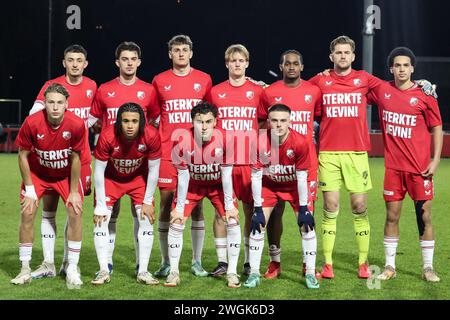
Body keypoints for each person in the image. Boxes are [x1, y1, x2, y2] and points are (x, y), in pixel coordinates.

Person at [368, 47, 443, 282]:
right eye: (397, 65)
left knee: (425, 217)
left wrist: (436, 159)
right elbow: (356, 86)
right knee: (392, 217)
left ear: (412, 68)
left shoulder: (424, 94)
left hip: (420, 170)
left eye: (405, 65)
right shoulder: (382, 90)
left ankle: (428, 267)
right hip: (393, 169)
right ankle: (390, 266)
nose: (401, 69)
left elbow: (437, 127)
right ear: (391, 69)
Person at [89, 41, 159, 274]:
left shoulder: (149, 90)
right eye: (124, 59)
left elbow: (156, 121)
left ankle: (142, 265)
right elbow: (91, 120)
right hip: (109, 162)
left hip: (138, 163)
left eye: (133, 59)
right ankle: (106, 263)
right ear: (117, 62)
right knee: (109, 214)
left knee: (141, 214)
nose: (129, 63)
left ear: (139, 62)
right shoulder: (104, 89)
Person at [28, 44, 96, 279]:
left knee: (74, 210)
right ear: (64, 62)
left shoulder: (91, 86)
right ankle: (48, 262)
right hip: (53, 160)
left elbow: (95, 116)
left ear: (85, 63)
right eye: (70, 59)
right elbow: (33, 115)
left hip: (80, 159)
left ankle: (69, 262)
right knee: (49, 210)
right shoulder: (51, 87)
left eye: (79, 59)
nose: (75, 64)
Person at [11, 83, 85, 289]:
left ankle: (72, 268)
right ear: (44, 103)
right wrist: (30, 189)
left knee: (75, 211)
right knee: (27, 212)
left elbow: (76, 158)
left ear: (66, 104)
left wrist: (73, 192)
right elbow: (22, 155)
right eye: (51, 102)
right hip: (38, 174)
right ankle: (25, 268)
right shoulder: (32, 122)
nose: (55, 107)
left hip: (64, 175)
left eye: (59, 103)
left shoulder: (77, 124)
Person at [151, 35, 212, 278]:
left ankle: (196, 261)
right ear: (170, 54)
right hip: (168, 153)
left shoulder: (204, 79)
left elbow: (209, 115)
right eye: (176, 50)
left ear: (191, 53)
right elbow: (155, 115)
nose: (180, 54)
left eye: (185, 50)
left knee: (196, 208)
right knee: (166, 206)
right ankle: (166, 261)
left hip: (196, 154)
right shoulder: (159, 80)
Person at [259, 50, 322, 279]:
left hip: (305, 163)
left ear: (302, 67)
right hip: (275, 162)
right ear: (281, 66)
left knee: (305, 214)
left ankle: (308, 263)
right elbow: (260, 122)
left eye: (296, 63)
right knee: (274, 213)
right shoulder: (269, 92)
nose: (292, 67)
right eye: (288, 64)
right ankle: (275, 261)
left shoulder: (314, 91)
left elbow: (321, 121)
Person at [165, 102, 240, 288]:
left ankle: (232, 272)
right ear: (192, 121)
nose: (204, 126)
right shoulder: (182, 140)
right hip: (193, 185)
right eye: (199, 122)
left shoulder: (226, 139)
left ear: (215, 122)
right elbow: (182, 176)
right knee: (176, 220)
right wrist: (179, 209)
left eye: (208, 121)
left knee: (232, 220)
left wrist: (229, 206)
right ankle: (173, 271)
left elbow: (227, 174)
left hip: (218, 187)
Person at [244, 104, 319, 289]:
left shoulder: (300, 142)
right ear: (268, 122)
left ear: (290, 121)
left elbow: (302, 177)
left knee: (307, 225)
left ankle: (310, 273)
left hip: (294, 186)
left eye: (283, 120)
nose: (279, 125)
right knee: (257, 224)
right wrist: (258, 209)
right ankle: (254, 273)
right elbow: (255, 176)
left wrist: (303, 208)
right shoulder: (260, 141)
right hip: (269, 186)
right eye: (275, 120)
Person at [205, 44, 265, 277]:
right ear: (227, 64)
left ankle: (249, 261)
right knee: (221, 212)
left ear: (247, 63)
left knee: (250, 211)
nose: (237, 64)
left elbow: (264, 119)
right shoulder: (215, 92)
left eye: (241, 60)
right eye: (233, 60)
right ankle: (222, 262)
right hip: (223, 163)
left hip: (250, 163)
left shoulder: (258, 91)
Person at [91, 102, 161, 285]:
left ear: (142, 122)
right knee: (102, 220)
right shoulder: (107, 136)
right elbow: (98, 171)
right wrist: (99, 205)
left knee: (145, 218)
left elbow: (154, 170)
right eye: (126, 121)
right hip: (111, 180)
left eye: (134, 121)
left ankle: (143, 271)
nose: (130, 126)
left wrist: (147, 201)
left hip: (138, 180)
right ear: (118, 122)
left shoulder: (151, 135)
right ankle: (103, 270)